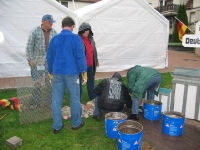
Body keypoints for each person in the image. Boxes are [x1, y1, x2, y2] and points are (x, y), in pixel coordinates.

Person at [47, 16, 87, 134]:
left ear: (62, 26)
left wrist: (50, 70)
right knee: (74, 98)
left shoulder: (54, 39)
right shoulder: (75, 39)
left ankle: (57, 126)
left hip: (57, 72)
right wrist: (83, 70)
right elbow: (80, 56)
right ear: (72, 26)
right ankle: (76, 123)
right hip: (72, 73)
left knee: (56, 100)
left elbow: (49, 56)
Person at [26, 14, 57, 108]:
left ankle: (49, 102)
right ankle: (36, 103)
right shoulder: (35, 31)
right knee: (37, 83)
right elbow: (29, 46)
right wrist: (30, 59)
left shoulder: (54, 32)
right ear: (43, 21)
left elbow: (56, 47)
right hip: (37, 62)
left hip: (50, 62)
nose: (51, 24)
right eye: (49, 22)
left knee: (50, 83)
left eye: (52, 22)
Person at [78, 22, 99, 100]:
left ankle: (92, 95)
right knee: (79, 81)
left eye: (88, 30)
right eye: (86, 30)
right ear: (81, 30)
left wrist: (96, 60)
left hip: (90, 64)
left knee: (91, 80)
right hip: (82, 65)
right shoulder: (78, 39)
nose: (87, 32)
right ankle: (78, 97)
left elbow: (94, 50)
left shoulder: (91, 39)